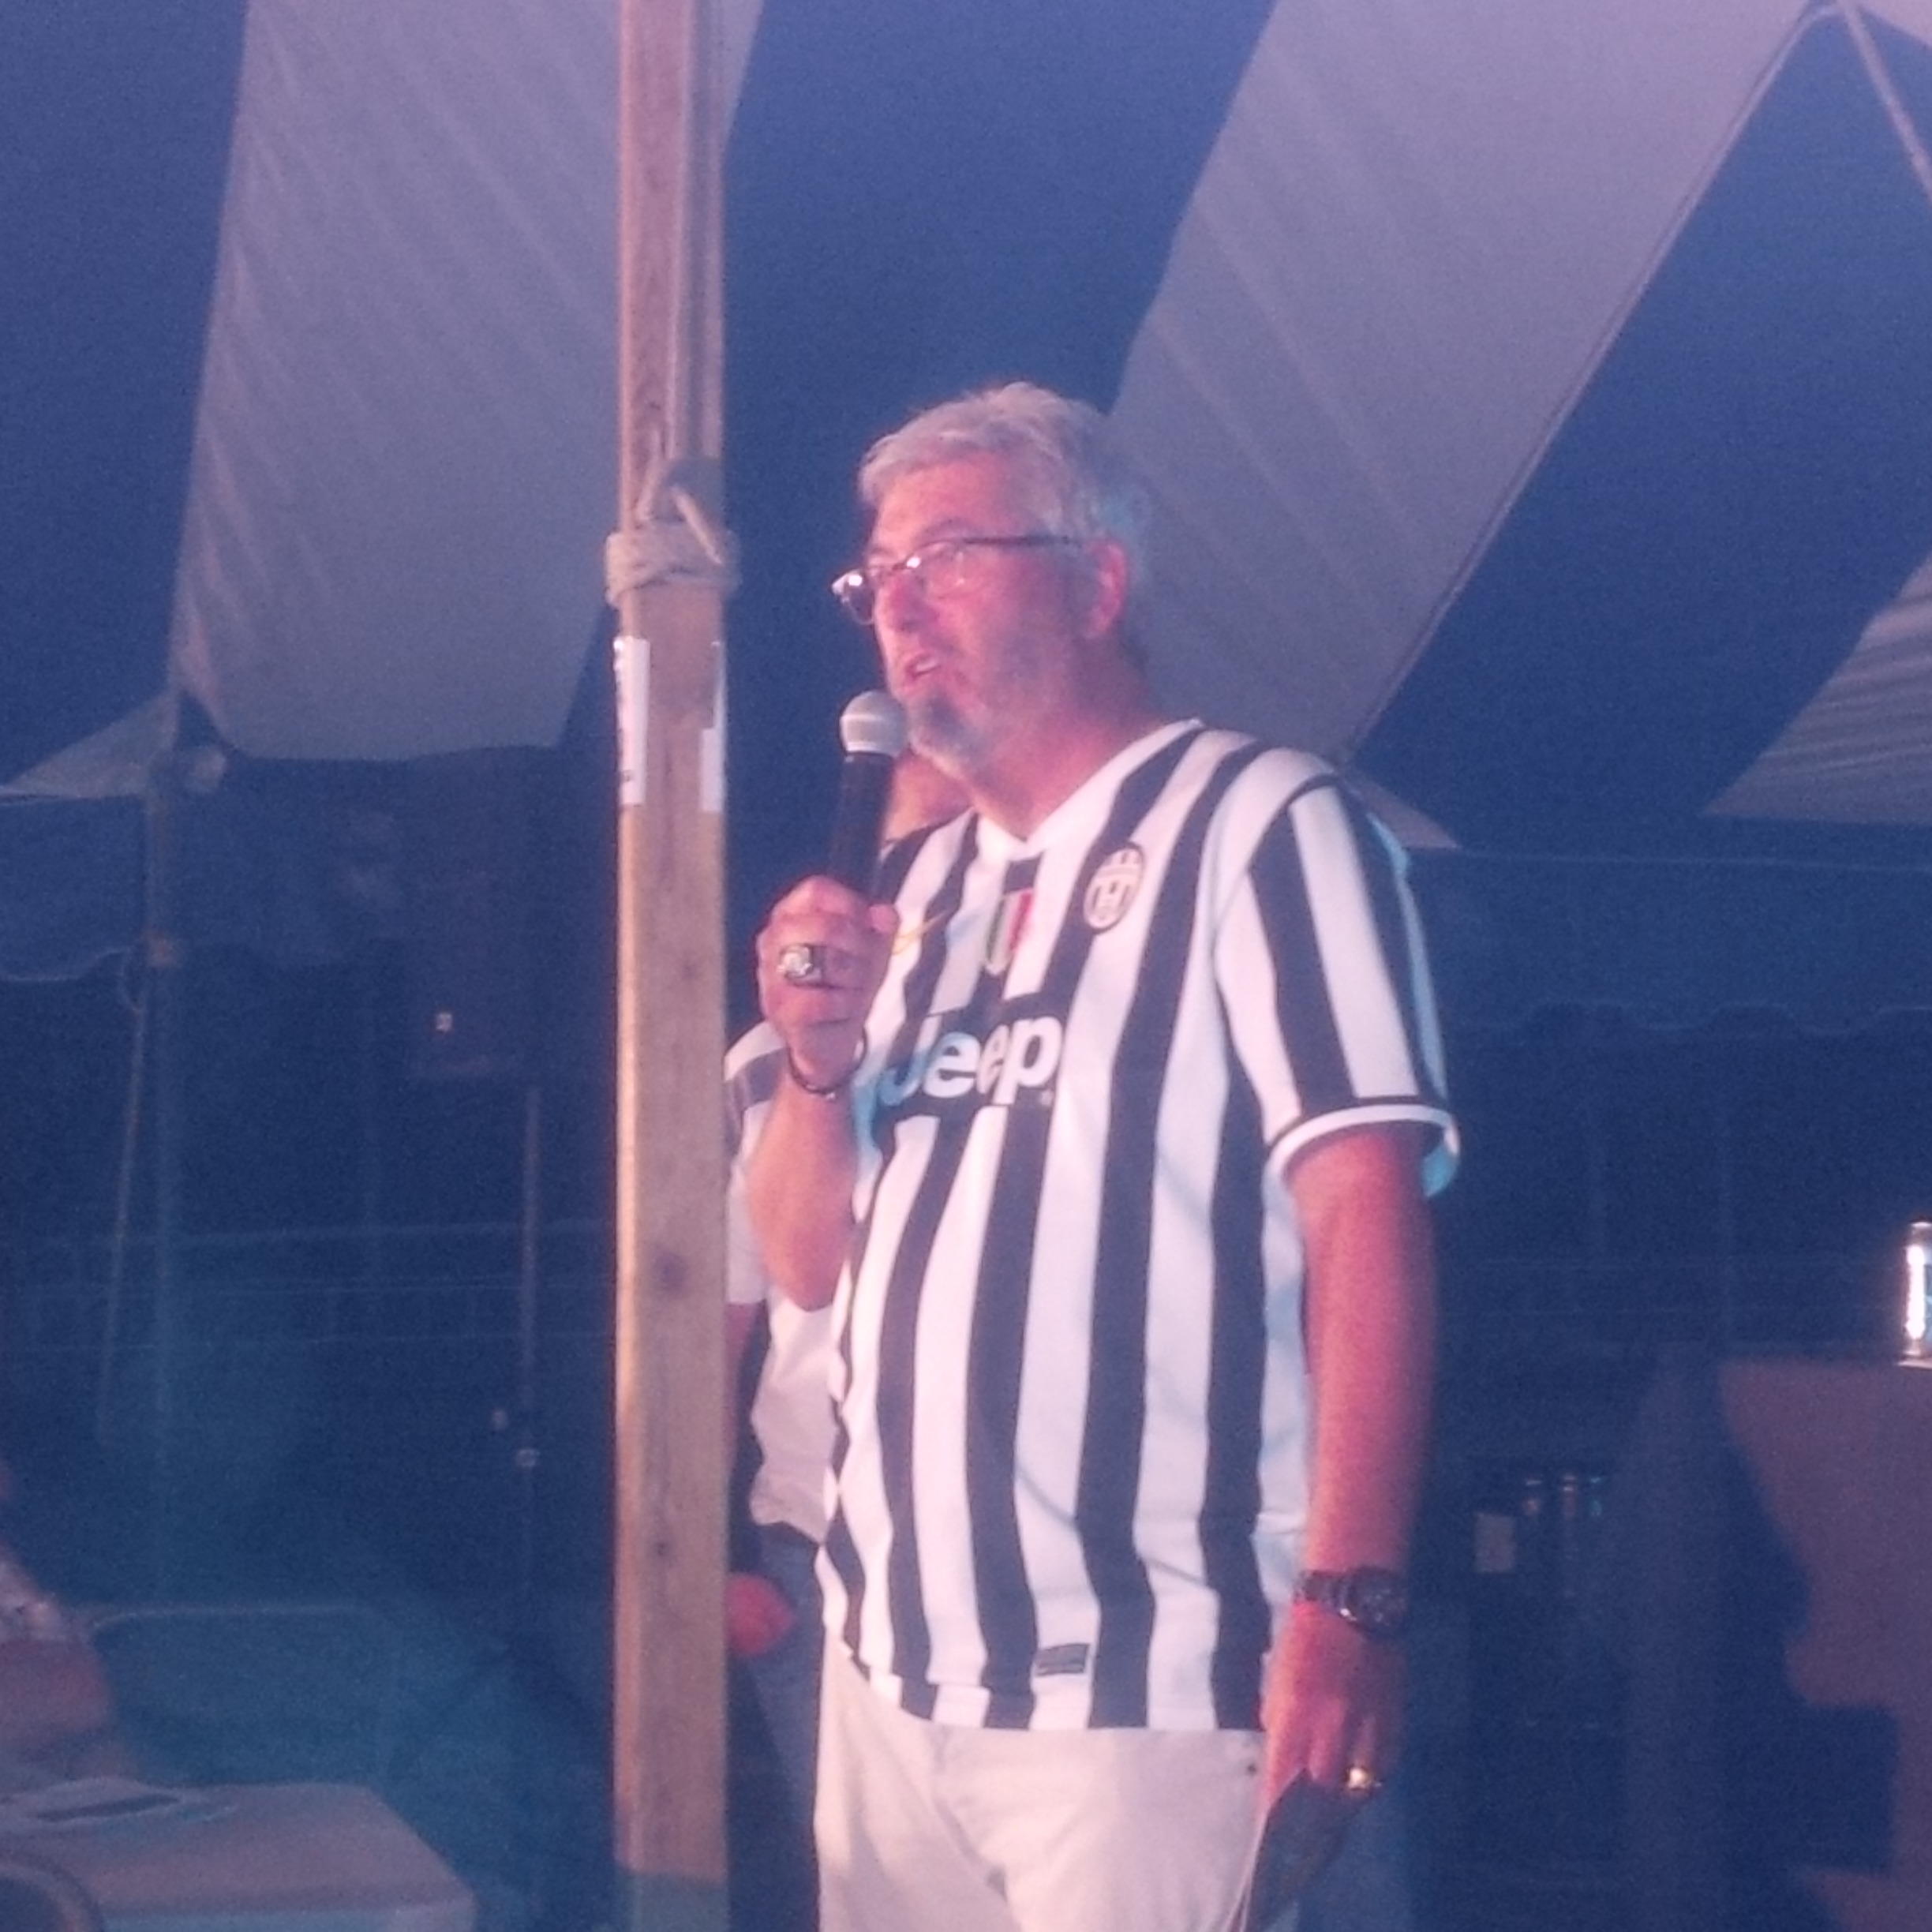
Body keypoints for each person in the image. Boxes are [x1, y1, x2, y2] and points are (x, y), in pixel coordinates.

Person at [748, 381, 1456, 1932]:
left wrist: (1353, 1599)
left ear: (1099, 582)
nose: (899, 607)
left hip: (1143, 1704)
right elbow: (801, 1259)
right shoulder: (917, 893)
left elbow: (1367, 1217)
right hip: (886, 1684)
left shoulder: (1262, 825)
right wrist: (814, 1064)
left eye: (950, 556)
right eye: (878, 576)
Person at [724, 754, 969, 1868]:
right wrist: (711, 1552)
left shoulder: (1057, 1035)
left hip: (1002, 1547)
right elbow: (719, 1322)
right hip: (812, 1546)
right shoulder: (761, 1065)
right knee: (864, 1873)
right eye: (906, 854)